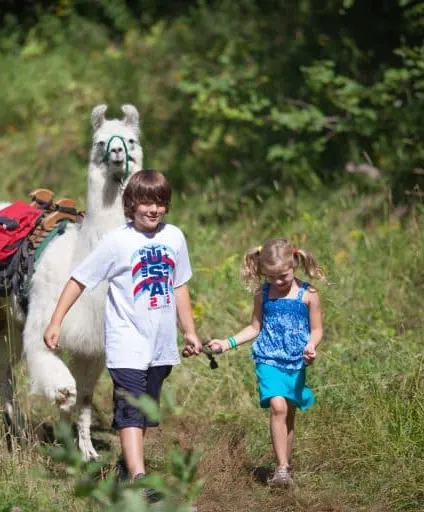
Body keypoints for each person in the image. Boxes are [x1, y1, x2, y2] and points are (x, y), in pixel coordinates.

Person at [44, 169, 203, 500]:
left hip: (160, 346)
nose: (153, 209)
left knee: (144, 411)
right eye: (146, 202)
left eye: (160, 202)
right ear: (131, 204)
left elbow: (180, 286)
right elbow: (79, 280)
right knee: (130, 409)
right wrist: (56, 320)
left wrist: (189, 331)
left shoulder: (174, 237)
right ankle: (139, 478)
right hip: (125, 342)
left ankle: (128, 466)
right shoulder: (117, 241)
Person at [207, 239, 325, 487]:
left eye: (283, 275)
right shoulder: (263, 293)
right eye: (271, 277)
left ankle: (285, 466)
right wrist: (227, 343)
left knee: (289, 413)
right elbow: (254, 327)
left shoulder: (309, 295)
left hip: (295, 362)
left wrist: (311, 345)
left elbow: (316, 330)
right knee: (278, 407)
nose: (278, 282)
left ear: (294, 264)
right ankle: (281, 468)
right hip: (267, 358)